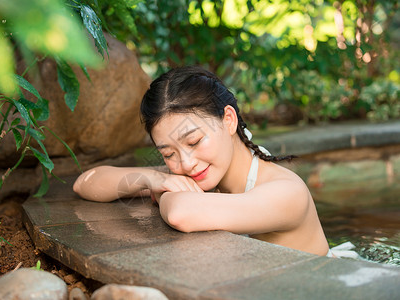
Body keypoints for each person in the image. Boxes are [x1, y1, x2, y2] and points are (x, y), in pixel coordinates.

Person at [73, 66, 330, 256]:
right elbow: (86, 183)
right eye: (168, 154)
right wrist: (156, 178)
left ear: (228, 120)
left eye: (194, 141)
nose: (185, 163)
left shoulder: (287, 192)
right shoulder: (192, 174)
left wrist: (163, 192)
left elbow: (181, 213)